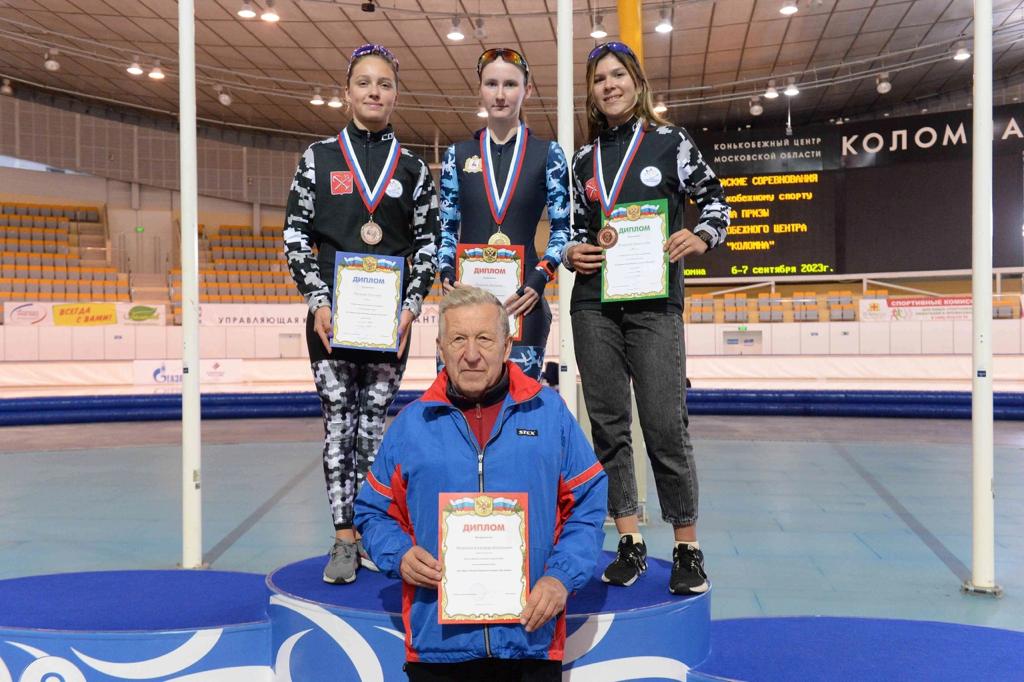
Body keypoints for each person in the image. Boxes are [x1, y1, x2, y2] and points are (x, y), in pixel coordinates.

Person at [355, 286, 607, 681]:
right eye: (458, 339)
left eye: (484, 339)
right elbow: (371, 512)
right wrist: (399, 554)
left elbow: (589, 501)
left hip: (531, 641)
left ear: (507, 346)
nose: (471, 353)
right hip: (438, 647)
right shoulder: (411, 425)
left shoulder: (549, 413)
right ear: (440, 347)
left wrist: (561, 578)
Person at [563, 41, 730, 595]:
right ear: (591, 91)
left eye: (618, 75)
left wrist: (701, 235)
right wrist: (570, 252)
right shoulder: (583, 161)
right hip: (595, 306)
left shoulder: (670, 143)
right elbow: (571, 230)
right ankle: (629, 540)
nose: (608, 85)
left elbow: (715, 203)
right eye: (599, 79)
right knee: (608, 426)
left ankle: (687, 546)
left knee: (663, 424)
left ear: (636, 82)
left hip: (655, 305)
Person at [283, 43, 440, 585]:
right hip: (330, 323)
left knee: (374, 431)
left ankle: (375, 532)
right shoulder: (318, 159)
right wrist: (316, 299)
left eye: (385, 84)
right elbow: (295, 235)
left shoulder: (415, 169)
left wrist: (412, 306)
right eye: (365, 83)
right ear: (346, 91)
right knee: (337, 428)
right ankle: (343, 537)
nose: (375, 92)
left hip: (388, 326)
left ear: (396, 93)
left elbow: (428, 243)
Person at [437, 48, 571, 380]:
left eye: (510, 85)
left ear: (527, 90)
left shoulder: (548, 154)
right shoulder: (457, 155)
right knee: (459, 414)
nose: (499, 95)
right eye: (491, 84)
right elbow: (447, 228)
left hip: (522, 303)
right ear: (479, 89)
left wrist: (539, 279)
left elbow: (563, 230)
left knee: (518, 412)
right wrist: (445, 271)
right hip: (464, 303)